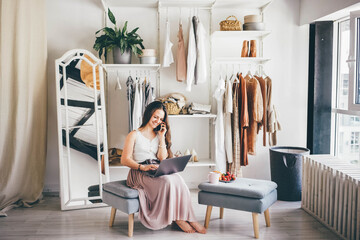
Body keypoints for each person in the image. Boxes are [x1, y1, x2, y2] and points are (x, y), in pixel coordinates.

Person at [121, 101, 206, 234]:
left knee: (180, 181)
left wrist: (161, 138)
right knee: (168, 182)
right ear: (148, 114)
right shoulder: (134, 134)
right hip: (139, 172)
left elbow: (162, 158)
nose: (158, 121)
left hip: (156, 168)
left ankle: (190, 217)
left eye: (161, 119)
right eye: (155, 117)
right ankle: (178, 218)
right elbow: (124, 159)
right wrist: (142, 167)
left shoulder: (158, 134)